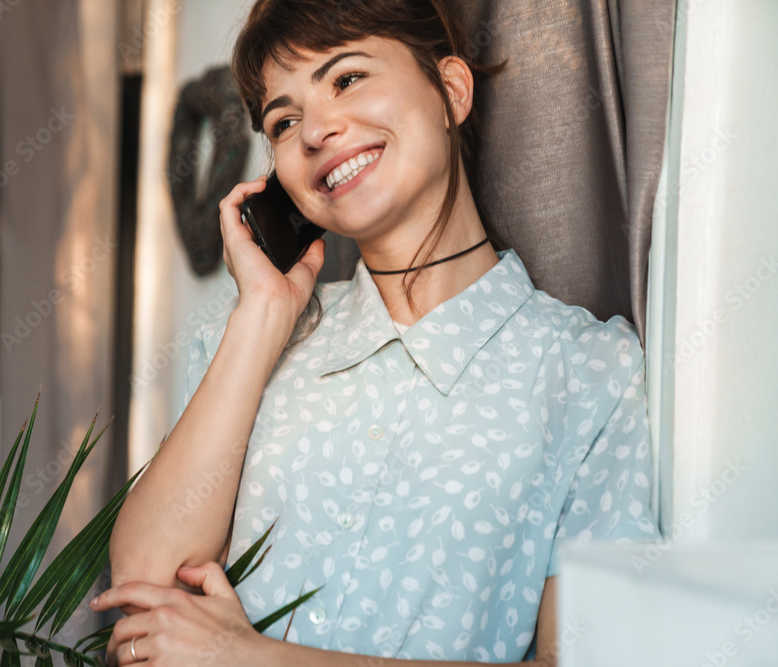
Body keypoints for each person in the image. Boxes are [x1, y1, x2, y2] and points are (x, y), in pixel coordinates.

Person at [90, 1, 659, 665]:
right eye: (284, 119)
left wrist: (249, 656)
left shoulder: (590, 372)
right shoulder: (244, 342)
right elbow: (143, 597)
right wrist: (265, 314)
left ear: (450, 88)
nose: (316, 130)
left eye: (347, 79)